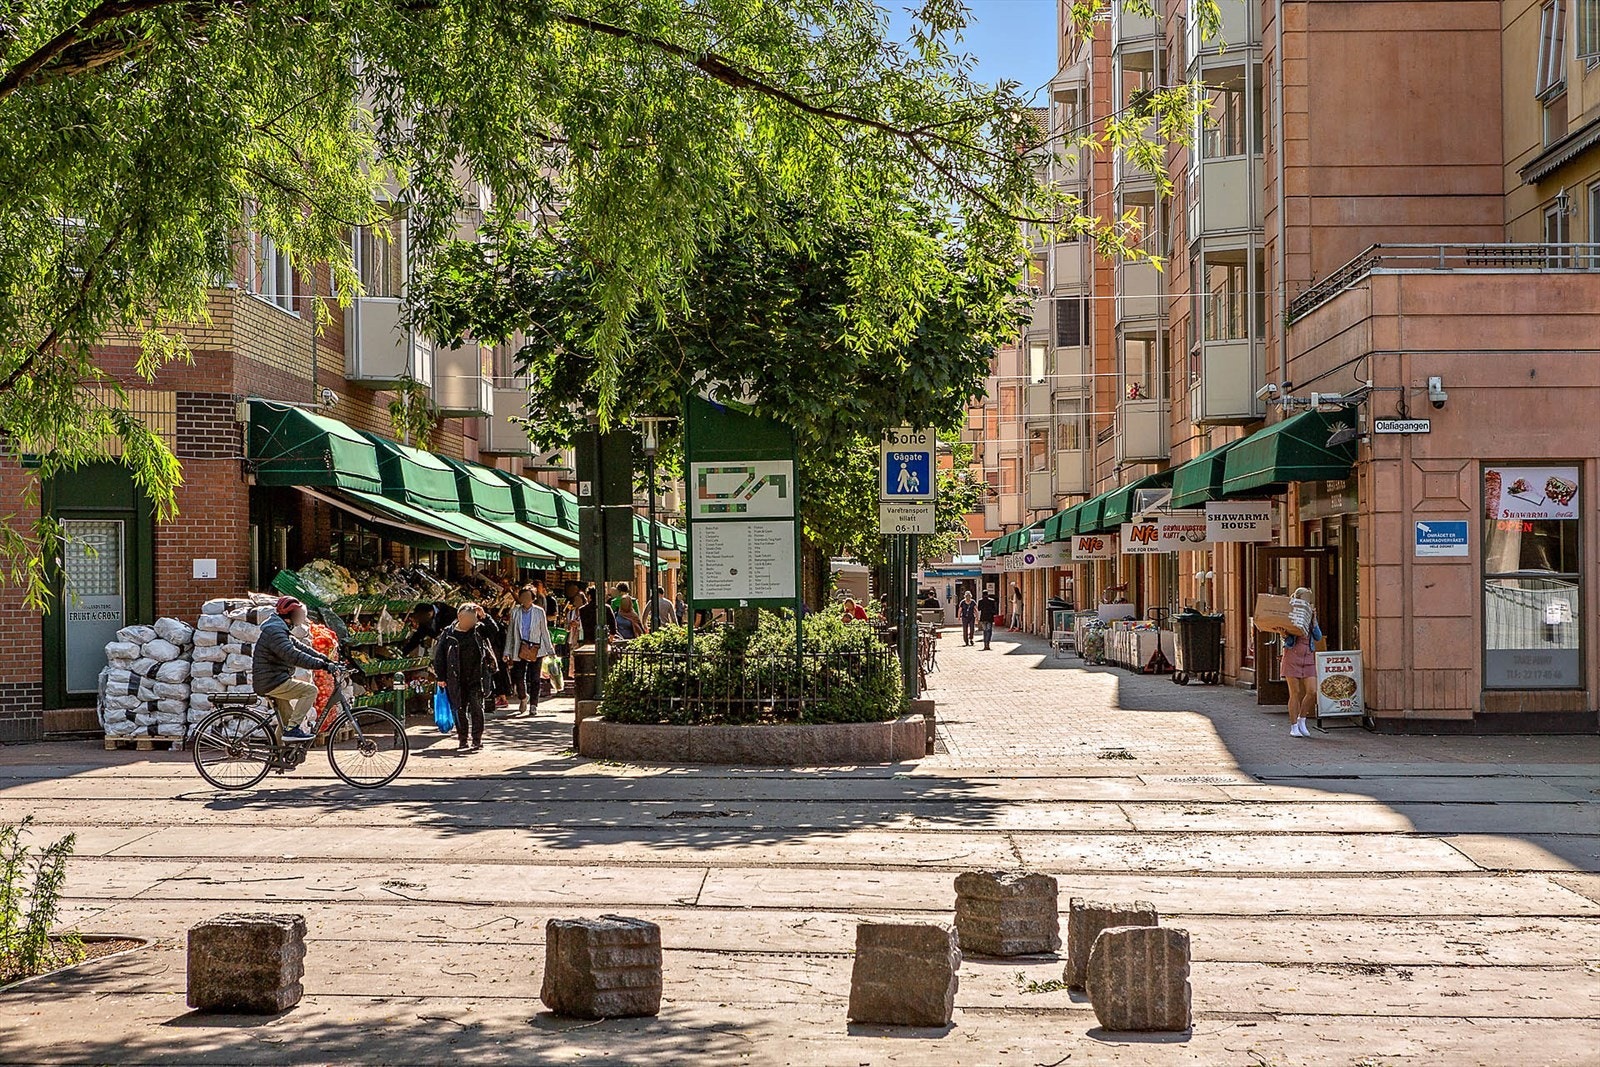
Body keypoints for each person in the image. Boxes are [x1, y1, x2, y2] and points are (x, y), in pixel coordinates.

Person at [253, 597, 339, 740]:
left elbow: (301, 647)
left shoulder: (279, 629)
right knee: (310, 690)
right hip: (272, 682)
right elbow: (293, 655)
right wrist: (322, 665)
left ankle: (276, 758)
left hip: (274, 679)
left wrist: (325, 659)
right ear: (290, 615)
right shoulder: (275, 632)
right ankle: (293, 729)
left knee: (285, 722)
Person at [432, 602, 499, 753]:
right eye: (469, 620)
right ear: (459, 618)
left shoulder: (478, 630)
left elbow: (494, 631)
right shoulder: (449, 634)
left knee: (477, 708)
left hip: (477, 677)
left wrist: (485, 616)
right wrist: (441, 677)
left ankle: (477, 739)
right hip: (455, 678)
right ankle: (463, 739)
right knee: (459, 709)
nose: (472, 623)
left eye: (474, 619)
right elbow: (439, 656)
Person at [505, 586, 556, 715]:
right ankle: (523, 697)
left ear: (533, 599)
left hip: (536, 648)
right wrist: (507, 651)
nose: (525, 599)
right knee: (518, 676)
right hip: (520, 647)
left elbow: (544, 631)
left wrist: (550, 649)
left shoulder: (539, 612)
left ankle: (534, 704)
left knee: (535, 678)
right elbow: (511, 632)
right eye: (523, 597)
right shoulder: (515, 612)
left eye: (528, 597)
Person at [1281, 586, 1323, 739]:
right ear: (1298, 598)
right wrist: (1283, 633)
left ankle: (1302, 719)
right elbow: (1287, 637)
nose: (1307, 601)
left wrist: (1314, 620)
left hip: (1308, 657)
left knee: (1312, 691)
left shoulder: (1310, 614)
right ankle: (1293, 726)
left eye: (1308, 598)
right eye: (1304, 597)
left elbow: (1318, 637)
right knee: (1295, 692)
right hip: (1293, 656)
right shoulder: (1292, 613)